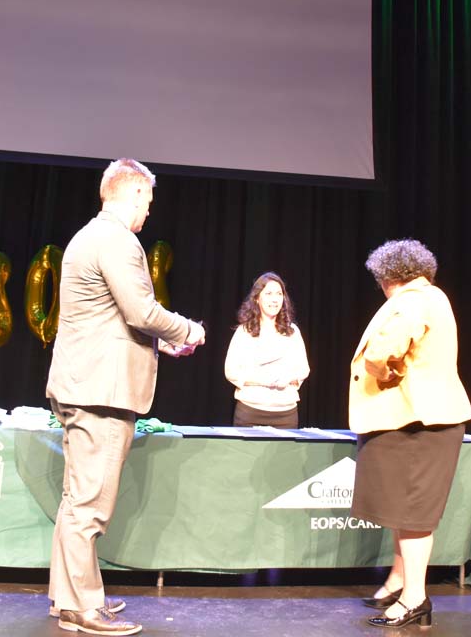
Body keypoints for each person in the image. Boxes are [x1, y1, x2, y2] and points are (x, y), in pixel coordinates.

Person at [45, 158, 206, 636]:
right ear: (134, 193)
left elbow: (114, 317)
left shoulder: (89, 236)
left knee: (77, 499)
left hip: (85, 383)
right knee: (90, 504)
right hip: (100, 391)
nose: (148, 213)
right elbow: (139, 310)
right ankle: (80, 608)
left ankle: (72, 597)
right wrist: (188, 330)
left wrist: (163, 343)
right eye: (148, 203)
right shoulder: (116, 239)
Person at [348, 239, 471, 630]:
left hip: (422, 422)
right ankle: (400, 582)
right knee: (406, 510)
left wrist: (383, 373)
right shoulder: (432, 296)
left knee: (414, 513)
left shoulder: (413, 300)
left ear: (388, 277)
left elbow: (380, 352)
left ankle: (416, 599)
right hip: (420, 420)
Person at [223, 272, 311, 428]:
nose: (274, 299)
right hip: (250, 412)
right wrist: (264, 380)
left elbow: (303, 369)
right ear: (257, 298)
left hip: (285, 414)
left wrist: (287, 377)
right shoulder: (245, 331)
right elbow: (231, 371)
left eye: (279, 294)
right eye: (269, 293)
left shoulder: (292, 332)